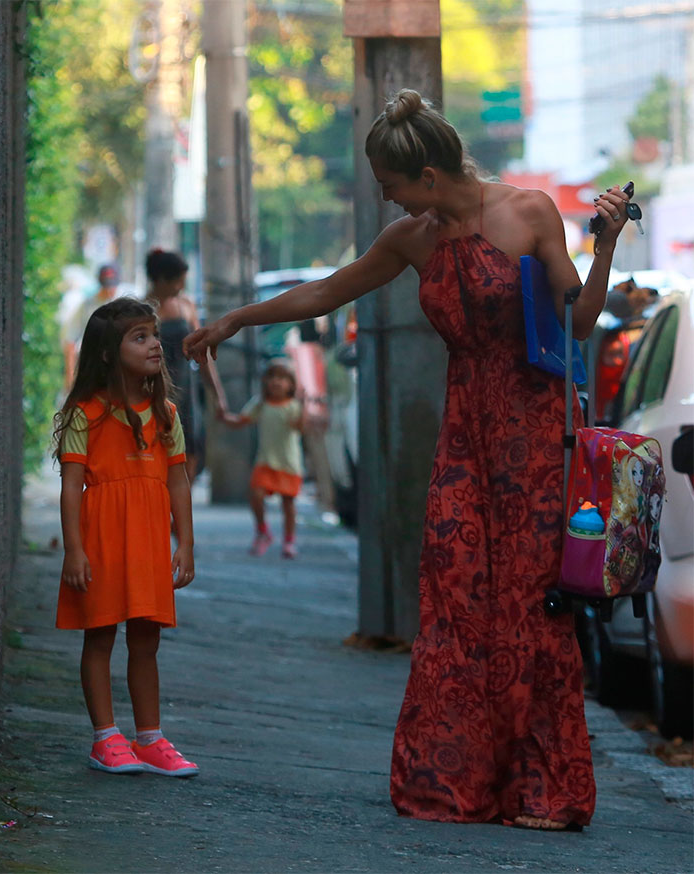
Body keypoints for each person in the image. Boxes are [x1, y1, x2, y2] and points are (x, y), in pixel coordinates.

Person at [183, 89, 633, 828]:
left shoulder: (527, 212)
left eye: (389, 184)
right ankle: (454, 783)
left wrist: (603, 245)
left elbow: (577, 321)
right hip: (464, 436)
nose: (384, 197)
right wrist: (235, 318)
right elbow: (329, 291)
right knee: (454, 596)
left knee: (527, 608)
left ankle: (544, 792)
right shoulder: (412, 237)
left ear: (427, 172)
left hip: (532, 435)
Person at [53, 297, 198, 777]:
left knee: (146, 639)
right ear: (108, 354)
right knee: (99, 637)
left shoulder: (167, 415)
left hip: (148, 543)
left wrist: (186, 543)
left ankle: (150, 738)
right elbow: (72, 487)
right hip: (101, 542)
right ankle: (104, 737)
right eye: (140, 337)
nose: (155, 343)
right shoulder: (85, 414)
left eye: (154, 334)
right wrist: (74, 549)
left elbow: (178, 480)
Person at [145, 249, 228, 484]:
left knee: (189, 450)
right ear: (161, 279)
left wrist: (217, 394)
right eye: (178, 281)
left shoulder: (186, 305)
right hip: (152, 388)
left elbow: (202, 353)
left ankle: (179, 513)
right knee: (156, 449)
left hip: (184, 387)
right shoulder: (141, 308)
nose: (181, 287)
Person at [221, 361, 304, 558]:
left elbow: (299, 427)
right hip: (265, 461)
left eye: (282, 378)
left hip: (289, 463)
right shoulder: (260, 404)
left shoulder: (294, 406)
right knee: (256, 494)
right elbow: (241, 420)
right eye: (272, 377)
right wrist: (224, 417)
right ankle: (263, 531)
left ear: (291, 385)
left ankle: (289, 541)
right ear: (265, 382)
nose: (276, 382)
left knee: (288, 504)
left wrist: (305, 404)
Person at [61, 264, 120, 391]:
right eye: (106, 285)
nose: (109, 290)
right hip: (90, 367)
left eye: (112, 285)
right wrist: (70, 377)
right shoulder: (87, 305)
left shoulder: (122, 307)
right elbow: (70, 340)